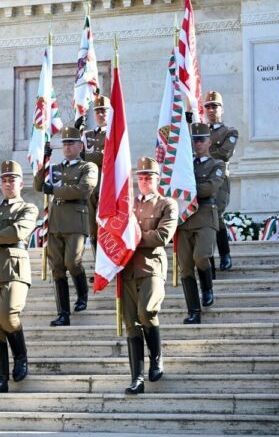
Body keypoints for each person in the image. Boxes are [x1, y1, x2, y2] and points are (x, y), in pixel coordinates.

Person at [0, 160, 38, 394]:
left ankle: (21, 356)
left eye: (11, 180)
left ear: (21, 183)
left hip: (14, 267)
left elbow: (18, 231)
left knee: (8, 316)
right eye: (4, 180)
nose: (7, 184)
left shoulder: (28, 208)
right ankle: (0, 379)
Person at [122, 157, 178, 395]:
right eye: (141, 177)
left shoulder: (167, 204)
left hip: (151, 266)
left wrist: (133, 236)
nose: (144, 181)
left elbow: (161, 236)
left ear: (158, 179)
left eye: (149, 177)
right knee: (131, 324)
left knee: (147, 311)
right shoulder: (126, 205)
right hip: (126, 268)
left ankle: (156, 358)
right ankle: (137, 377)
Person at [34, 126, 98, 326]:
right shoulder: (55, 168)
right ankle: (63, 313)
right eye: (65, 143)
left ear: (80, 146)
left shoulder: (87, 168)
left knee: (73, 261)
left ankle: (82, 294)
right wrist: (43, 163)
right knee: (57, 268)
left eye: (72, 143)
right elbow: (39, 186)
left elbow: (84, 189)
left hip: (76, 221)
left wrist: (56, 190)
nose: (68, 146)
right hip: (55, 222)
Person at [176, 122, 225, 324]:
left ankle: (207, 288)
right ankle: (193, 310)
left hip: (205, 214)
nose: (197, 144)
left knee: (202, 256)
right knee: (185, 268)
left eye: (201, 140)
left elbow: (210, 188)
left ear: (209, 141)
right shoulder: (184, 165)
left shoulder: (217, 164)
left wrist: (185, 188)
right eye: (194, 140)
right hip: (184, 218)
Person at [202, 90, 239, 271]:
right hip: (200, 180)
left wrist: (201, 154)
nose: (211, 110)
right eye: (207, 106)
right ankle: (207, 260)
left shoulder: (230, 131)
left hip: (219, 181)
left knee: (217, 215)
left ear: (221, 109)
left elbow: (224, 153)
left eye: (214, 106)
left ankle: (224, 254)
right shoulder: (198, 131)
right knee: (203, 218)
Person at [78, 95, 110, 268]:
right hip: (92, 187)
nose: (101, 114)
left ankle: (110, 263)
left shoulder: (114, 133)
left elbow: (106, 157)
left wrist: (85, 156)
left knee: (108, 226)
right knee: (93, 228)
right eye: (98, 111)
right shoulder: (88, 135)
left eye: (104, 111)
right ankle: (99, 266)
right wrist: (77, 137)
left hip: (108, 186)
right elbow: (77, 157)